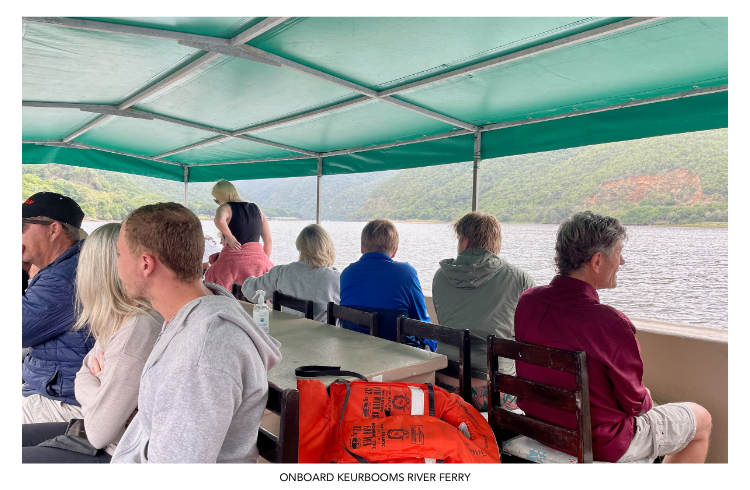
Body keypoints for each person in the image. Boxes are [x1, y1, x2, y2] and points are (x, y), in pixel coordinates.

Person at [514, 211, 712, 463]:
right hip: (601, 441)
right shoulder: (608, 322)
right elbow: (635, 404)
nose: (622, 262)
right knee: (700, 418)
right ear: (597, 261)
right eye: (619, 253)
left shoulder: (528, 301)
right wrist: (645, 397)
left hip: (540, 426)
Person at [111, 202, 281, 463]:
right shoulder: (189, 313)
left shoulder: (202, 358)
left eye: (120, 255)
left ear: (146, 264)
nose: (117, 266)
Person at [22, 223, 163, 463]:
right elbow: (84, 372)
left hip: (115, 446)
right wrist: (95, 386)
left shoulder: (136, 328)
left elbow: (99, 433)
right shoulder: (116, 318)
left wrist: (93, 387)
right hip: (91, 421)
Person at [432, 212, 535, 410]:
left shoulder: (440, 275)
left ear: (465, 241)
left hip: (444, 385)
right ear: (496, 242)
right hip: (493, 393)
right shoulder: (519, 279)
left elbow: (443, 318)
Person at [22, 192, 95, 423]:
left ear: (53, 230)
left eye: (22, 226)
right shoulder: (72, 264)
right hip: (53, 386)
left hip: (61, 400)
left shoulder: (63, 279)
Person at [340, 219, 435, 350]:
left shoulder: (347, 274)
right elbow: (420, 323)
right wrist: (436, 348)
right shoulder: (406, 273)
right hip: (400, 356)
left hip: (354, 351)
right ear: (395, 250)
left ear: (362, 247)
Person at [242, 224, 340, 322]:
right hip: (323, 336)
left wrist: (251, 277)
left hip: (286, 334)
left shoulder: (282, 273)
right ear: (328, 247)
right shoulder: (336, 279)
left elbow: (250, 292)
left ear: (300, 246)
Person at [205, 179, 273, 290]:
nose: (218, 202)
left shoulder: (225, 207)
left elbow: (219, 220)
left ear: (221, 197)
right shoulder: (257, 209)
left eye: (217, 200)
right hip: (259, 262)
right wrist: (262, 261)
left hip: (233, 262)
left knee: (210, 279)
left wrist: (229, 236)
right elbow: (268, 240)